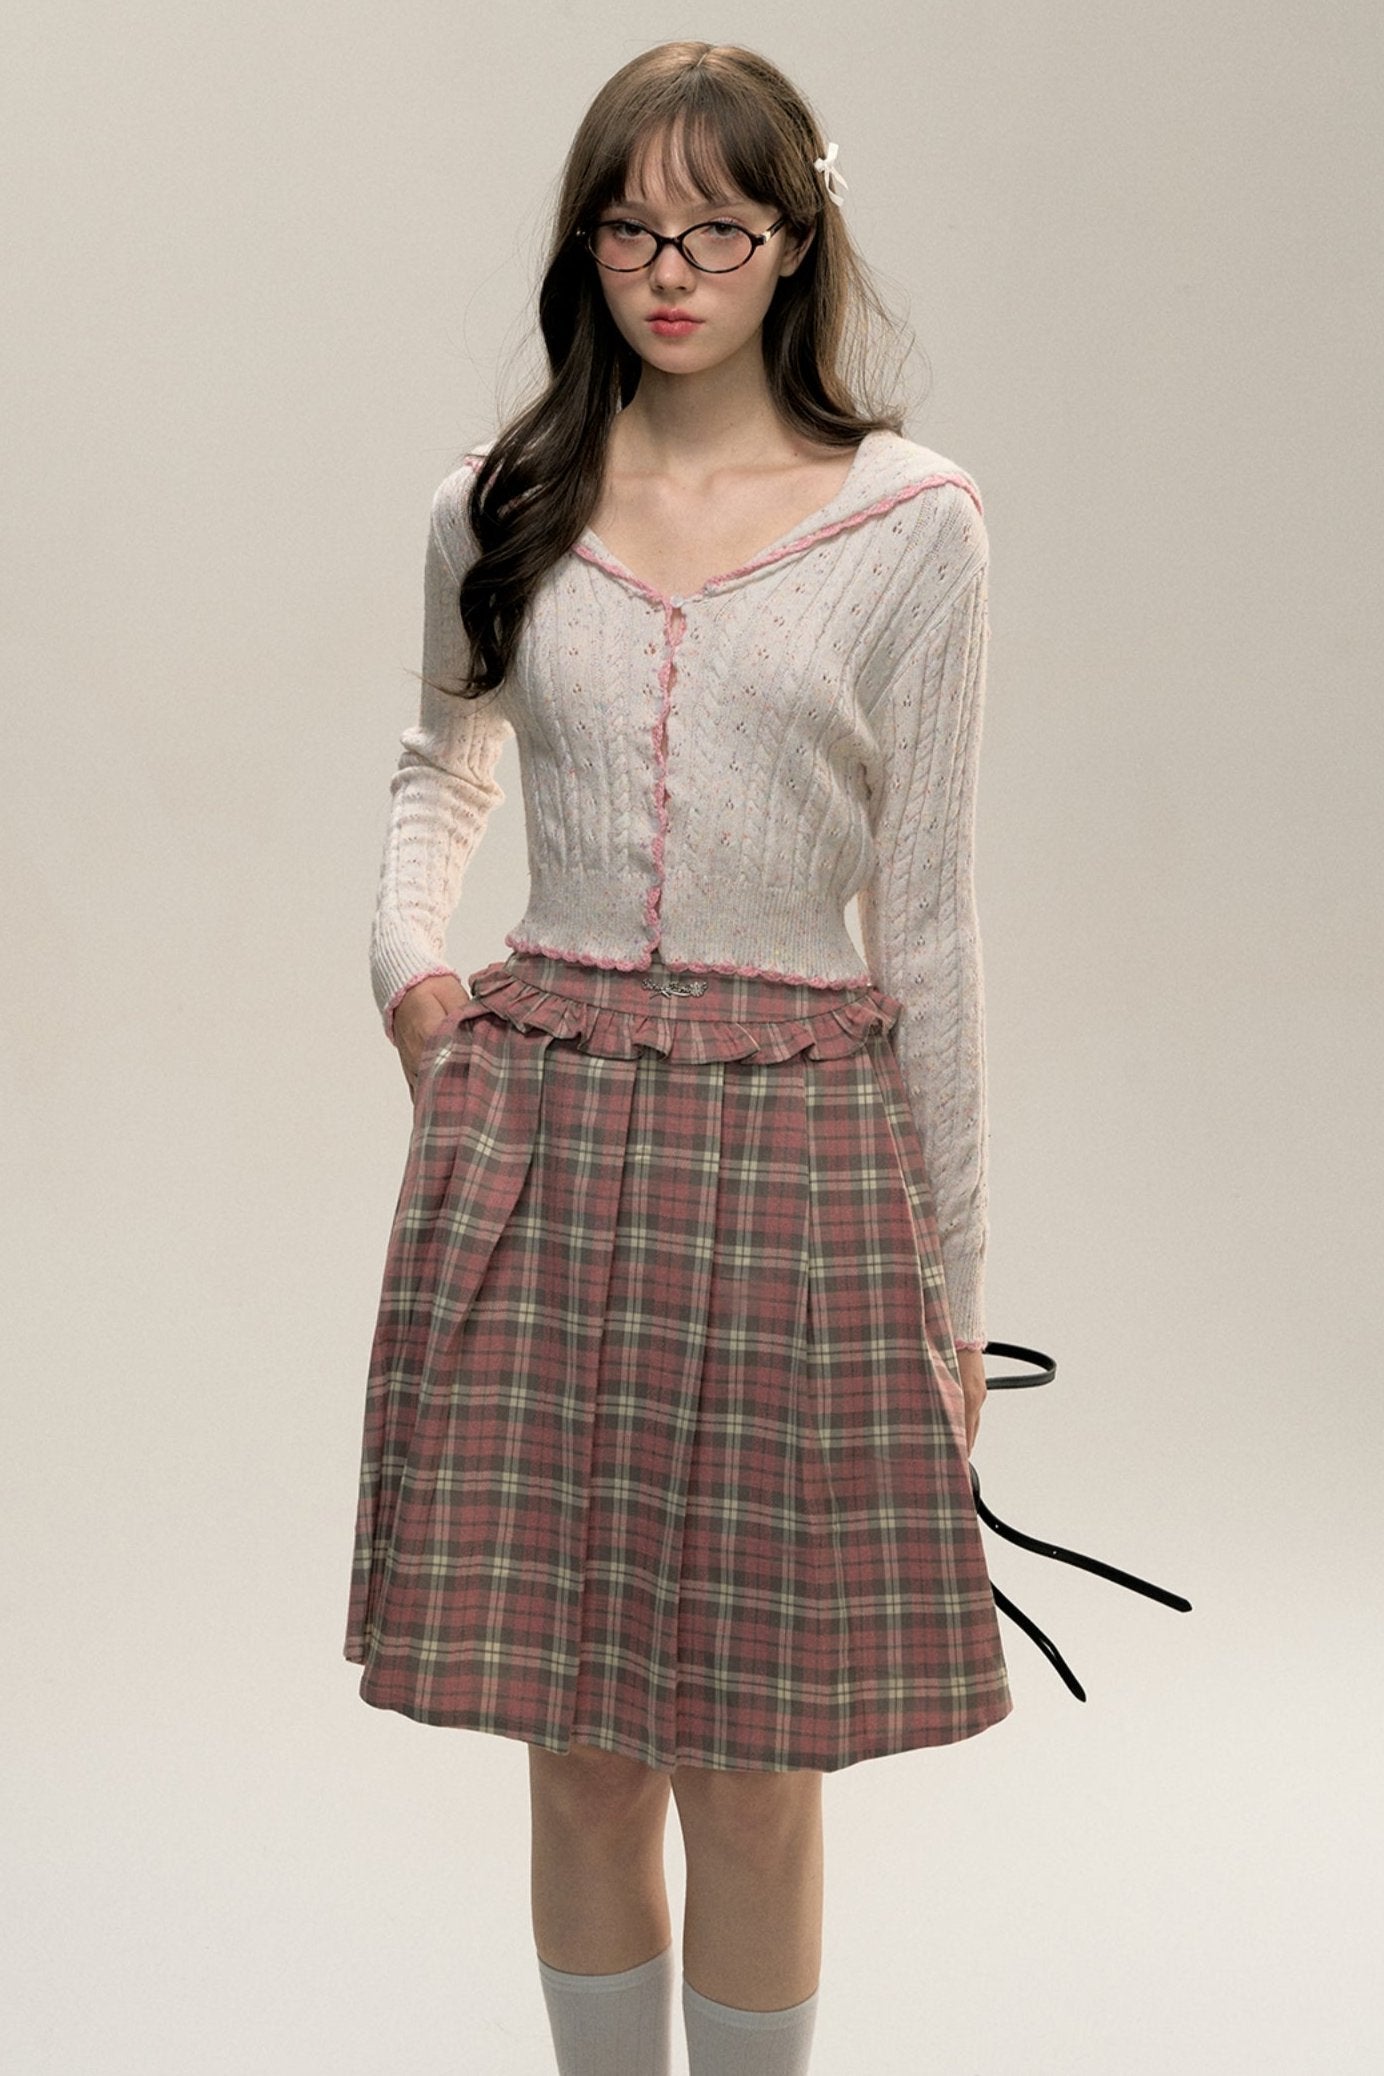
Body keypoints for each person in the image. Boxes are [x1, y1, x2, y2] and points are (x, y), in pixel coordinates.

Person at [343, 38, 1013, 2076]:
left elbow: (925, 922)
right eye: (627, 229)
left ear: (795, 237)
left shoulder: (912, 528)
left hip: (794, 1165)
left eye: (715, 228)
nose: (667, 270)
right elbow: (441, 758)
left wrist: (953, 1293)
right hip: (539, 1151)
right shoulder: (500, 502)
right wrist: (406, 962)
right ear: (584, 245)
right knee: (572, 1752)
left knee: (753, 1765)